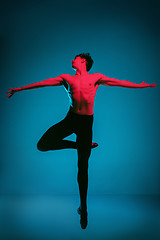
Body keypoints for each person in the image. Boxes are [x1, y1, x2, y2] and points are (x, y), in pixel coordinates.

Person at [6, 53, 156, 229]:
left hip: (86, 124)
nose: (71, 60)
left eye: (75, 58)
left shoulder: (96, 77)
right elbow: (42, 83)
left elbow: (119, 82)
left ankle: (83, 208)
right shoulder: (66, 78)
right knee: (42, 145)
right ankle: (79, 145)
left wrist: (140, 86)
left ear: (83, 61)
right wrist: (19, 89)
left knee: (82, 167)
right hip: (71, 120)